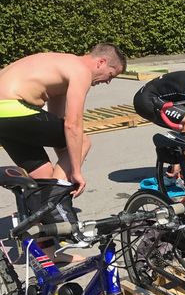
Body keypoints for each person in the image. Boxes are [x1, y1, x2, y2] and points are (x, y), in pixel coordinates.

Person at [0, 43, 126, 195]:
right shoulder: (81, 71)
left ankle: (39, 207)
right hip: (12, 108)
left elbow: (59, 124)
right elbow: (72, 125)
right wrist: (75, 172)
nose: (107, 81)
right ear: (101, 62)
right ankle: (52, 200)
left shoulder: (62, 67)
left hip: (6, 117)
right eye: (110, 75)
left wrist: (67, 165)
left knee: (43, 175)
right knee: (83, 141)